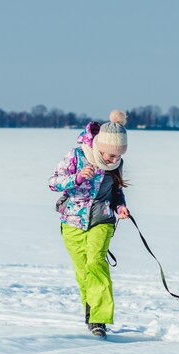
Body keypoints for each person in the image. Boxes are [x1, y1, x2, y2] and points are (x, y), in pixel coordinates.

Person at [48, 110, 130, 338]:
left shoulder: (116, 164)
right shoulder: (76, 155)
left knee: (96, 262)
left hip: (102, 220)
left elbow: (116, 192)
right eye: (110, 156)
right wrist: (78, 178)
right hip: (72, 221)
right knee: (83, 271)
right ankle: (90, 308)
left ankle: (99, 319)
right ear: (99, 146)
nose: (114, 161)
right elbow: (53, 182)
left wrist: (120, 206)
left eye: (118, 157)